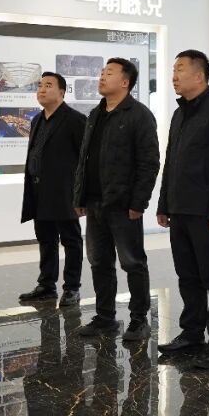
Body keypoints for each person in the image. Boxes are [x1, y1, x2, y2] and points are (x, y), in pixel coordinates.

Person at [155, 50, 209, 370]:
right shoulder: (180, 114)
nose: (174, 76)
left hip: (207, 213)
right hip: (180, 209)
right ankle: (192, 333)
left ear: (199, 76)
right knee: (187, 276)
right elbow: (171, 162)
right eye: (173, 70)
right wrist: (164, 204)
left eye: (180, 69)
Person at [72, 58, 160, 341]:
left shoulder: (139, 115)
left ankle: (139, 320)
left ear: (125, 82)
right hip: (95, 202)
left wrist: (138, 203)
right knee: (99, 262)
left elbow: (149, 163)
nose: (102, 77)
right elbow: (84, 159)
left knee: (132, 262)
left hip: (123, 205)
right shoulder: (95, 114)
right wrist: (80, 195)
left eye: (109, 73)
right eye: (101, 72)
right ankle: (105, 317)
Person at [19, 72, 87, 307]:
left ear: (62, 92)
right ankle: (47, 285)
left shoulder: (75, 120)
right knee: (46, 239)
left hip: (65, 192)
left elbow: (85, 160)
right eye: (40, 85)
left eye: (48, 85)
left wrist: (81, 194)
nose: (42, 89)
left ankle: (72, 288)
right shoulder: (37, 120)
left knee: (71, 240)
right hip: (39, 191)